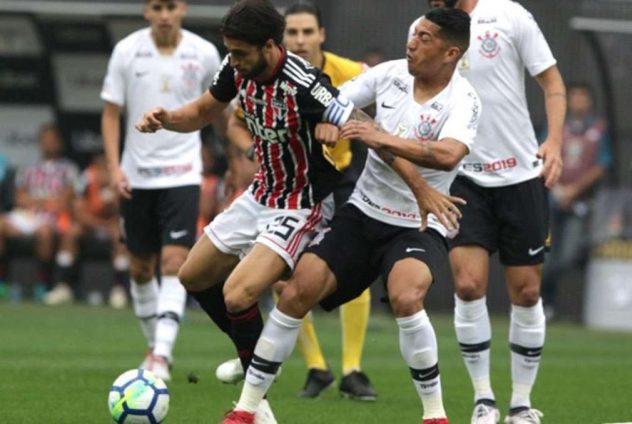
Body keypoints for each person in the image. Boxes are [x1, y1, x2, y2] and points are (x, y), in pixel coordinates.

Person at [136, 1, 435, 422]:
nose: (234, 62)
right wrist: (168, 119)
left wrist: (420, 187)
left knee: (238, 292)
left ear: (271, 47)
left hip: (304, 204)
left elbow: (371, 132)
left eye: (242, 54)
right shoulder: (236, 66)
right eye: (231, 53)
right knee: (192, 274)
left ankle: (256, 401)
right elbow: (204, 111)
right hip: (261, 194)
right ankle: (254, 356)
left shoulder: (307, 85)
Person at [223, 8, 479, 424]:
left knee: (407, 296)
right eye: (413, 34)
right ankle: (246, 410)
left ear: (451, 53)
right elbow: (336, 104)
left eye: (425, 38)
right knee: (294, 292)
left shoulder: (464, 99)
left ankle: (435, 415)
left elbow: (449, 155)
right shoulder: (388, 75)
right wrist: (328, 122)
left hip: (418, 221)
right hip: (362, 213)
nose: (412, 43)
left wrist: (378, 134)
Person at [416, 1, 566, 423]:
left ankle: (521, 403)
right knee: (466, 285)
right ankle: (483, 399)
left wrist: (553, 142)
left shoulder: (509, 15)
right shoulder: (424, 28)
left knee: (527, 292)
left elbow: (553, 83)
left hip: (521, 175)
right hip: (462, 177)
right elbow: (413, 92)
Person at [219, 1, 377, 401]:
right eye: (294, 33)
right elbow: (236, 123)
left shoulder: (349, 72)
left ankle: (352, 368)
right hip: (287, 186)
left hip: (342, 179)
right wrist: (255, 152)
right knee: (280, 277)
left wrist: (337, 124)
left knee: (347, 271)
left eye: (308, 32)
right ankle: (316, 367)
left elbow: (376, 111)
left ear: (322, 35)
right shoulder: (258, 72)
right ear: (278, 40)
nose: (301, 40)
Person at [100, 0, 222, 381]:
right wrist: (114, 167)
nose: (165, 14)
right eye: (157, 7)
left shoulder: (204, 53)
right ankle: (157, 350)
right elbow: (110, 113)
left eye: (171, 6)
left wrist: (236, 157)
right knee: (139, 268)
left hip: (183, 173)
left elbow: (218, 108)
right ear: (146, 11)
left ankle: (161, 355)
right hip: (137, 175)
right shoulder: (127, 50)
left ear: (182, 8)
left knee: (173, 264)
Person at [541, 83, 611, 319]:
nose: (578, 101)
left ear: (589, 101)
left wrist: (573, 190)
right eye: (574, 97)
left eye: (583, 97)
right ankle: (544, 304)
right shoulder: (556, 127)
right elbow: (540, 155)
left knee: (568, 255)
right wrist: (558, 187)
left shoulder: (598, 130)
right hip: (551, 200)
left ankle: (555, 297)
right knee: (546, 255)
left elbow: (601, 166)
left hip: (580, 203)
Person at [0, 124, 78, 302]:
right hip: (27, 215)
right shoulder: (28, 167)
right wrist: (45, 201)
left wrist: (37, 201)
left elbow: (64, 201)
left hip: (52, 218)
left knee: (44, 232)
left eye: (52, 140)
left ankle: (43, 285)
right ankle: (2, 282)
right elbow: (19, 198)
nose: (48, 144)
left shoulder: (68, 168)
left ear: (59, 143)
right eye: (45, 140)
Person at [43, 153, 130, 308]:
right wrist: (97, 224)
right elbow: (77, 210)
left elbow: (126, 211)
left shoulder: (121, 178)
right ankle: (63, 287)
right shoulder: (86, 178)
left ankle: (119, 290)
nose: (104, 172)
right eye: (101, 167)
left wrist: (113, 197)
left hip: (112, 225)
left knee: (120, 236)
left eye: (108, 168)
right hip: (90, 224)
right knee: (71, 233)